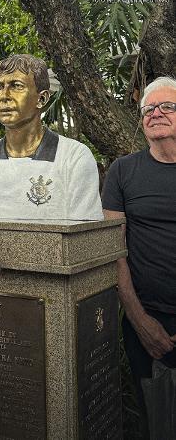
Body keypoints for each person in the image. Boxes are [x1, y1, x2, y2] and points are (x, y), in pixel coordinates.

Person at [102, 76, 176, 436]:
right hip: (147, 322)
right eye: (149, 108)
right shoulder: (122, 171)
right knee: (157, 422)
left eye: (167, 107)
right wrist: (138, 320)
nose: (156, 113)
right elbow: (115, 250)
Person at [0, 54, 103, 220]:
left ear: (41, 98)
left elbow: (83, 238)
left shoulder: (73, 157)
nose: (5, 96)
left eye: (17, 86)